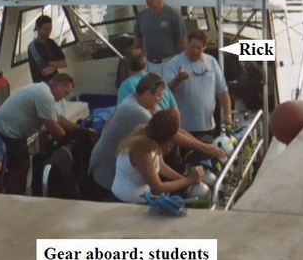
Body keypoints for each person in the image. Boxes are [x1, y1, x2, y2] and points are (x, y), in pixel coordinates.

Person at [89, 73, 225, 201]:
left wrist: (187, 179)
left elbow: (174, 129)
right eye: (159, 95)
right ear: (148, 94)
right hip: (106, 163)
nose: (160, 99)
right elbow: (170, 133)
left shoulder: (146, 107)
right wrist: (205, 148)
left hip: (125, 169)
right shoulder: (135, 111)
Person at [0, 73, 79, 195]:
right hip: (6, 132)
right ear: (59, 85)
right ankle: (13, 199)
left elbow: (57, 118)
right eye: (65, 93)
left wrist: (77, 129)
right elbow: (52, 126)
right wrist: (70, 142)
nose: (63, 98)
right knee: (16, 170)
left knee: (25, 165)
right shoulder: (45, 95)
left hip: (15, 134)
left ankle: (21, 195)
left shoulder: (43, 90)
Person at [111, 108, 205, 204]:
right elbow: (158, 188)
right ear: (164, 138)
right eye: (172, 140)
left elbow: (162, 167)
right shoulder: (141, 150)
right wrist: (189, 180)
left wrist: (184, 179)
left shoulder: (151, 138)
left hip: (143, 194)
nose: (173, 144)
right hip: (127, 201)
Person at [163, 29, 232, 138]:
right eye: (192, 46)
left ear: (204, 47)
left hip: (208, 127)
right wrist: (178, 79)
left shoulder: (211, 62)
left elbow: (222, 91)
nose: (195, 51)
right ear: (187, 44)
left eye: (199, 48)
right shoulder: (174, 63)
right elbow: (165, 92)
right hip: (183, 129)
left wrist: (228, 115)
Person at [133, 0, 186, 73]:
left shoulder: (173, 15)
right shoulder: (141, 16)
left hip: (169, 62)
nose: (148, 0)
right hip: (147, 63)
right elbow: (137, 42)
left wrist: (183, 65)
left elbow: (183, 42)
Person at [27, 14, 68, 83]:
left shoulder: (51, 42)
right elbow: (45, 72)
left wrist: (51, 64)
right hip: (42, 86)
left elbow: (64, 63)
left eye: (50, 28)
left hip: (55, 84)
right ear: (38, 28)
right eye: (46, 29)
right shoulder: (32, 47)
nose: (49, 31)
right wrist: (57, 65)